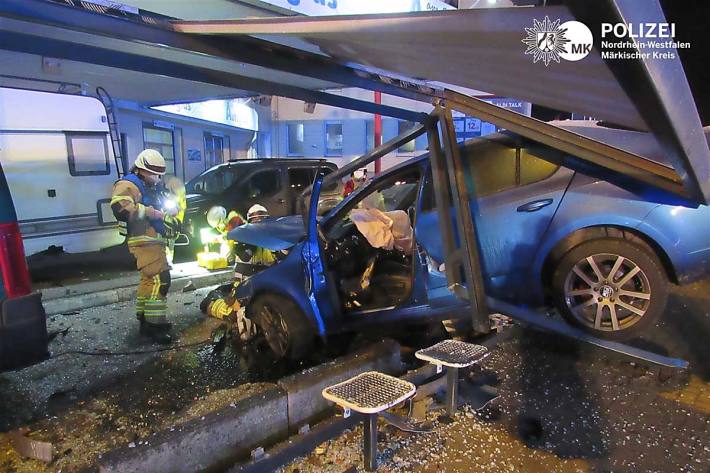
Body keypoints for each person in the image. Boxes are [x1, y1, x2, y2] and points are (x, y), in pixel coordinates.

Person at [110, 149, 181, 344]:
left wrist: (170, 210)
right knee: (161, 279)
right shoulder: (128, 184)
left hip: (151, 239)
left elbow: (161, 204)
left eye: (159, 174)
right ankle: (155, 327)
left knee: (149, 281)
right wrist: (152, 213)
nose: (157, 178)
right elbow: (120, 208)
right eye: (153, 173)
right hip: (143, 239)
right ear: (141, 169)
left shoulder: (149, 186)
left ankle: (145, 319)